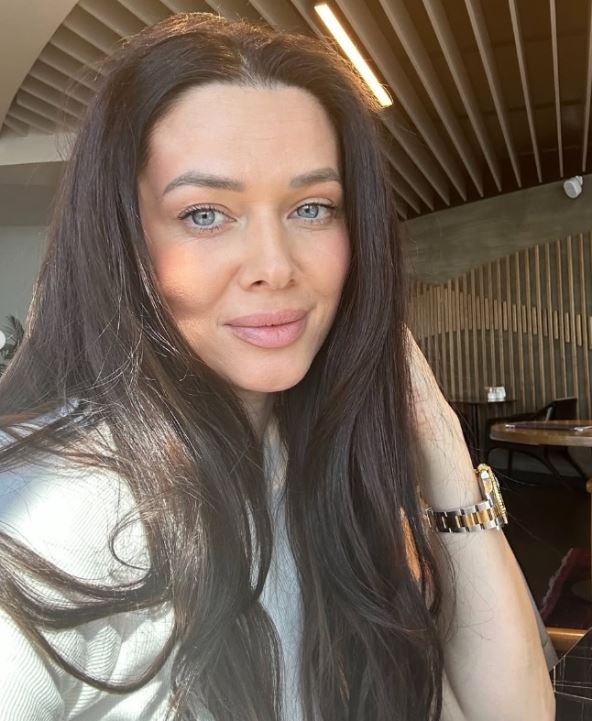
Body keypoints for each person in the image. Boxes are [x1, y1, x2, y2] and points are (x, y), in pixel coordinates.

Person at [0, 11, 555, 721]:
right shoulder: (50, 507)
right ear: (122, 242)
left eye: (312, 208)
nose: (275, 266)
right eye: (205, 214)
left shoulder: (314, 462)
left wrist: (438, 435)